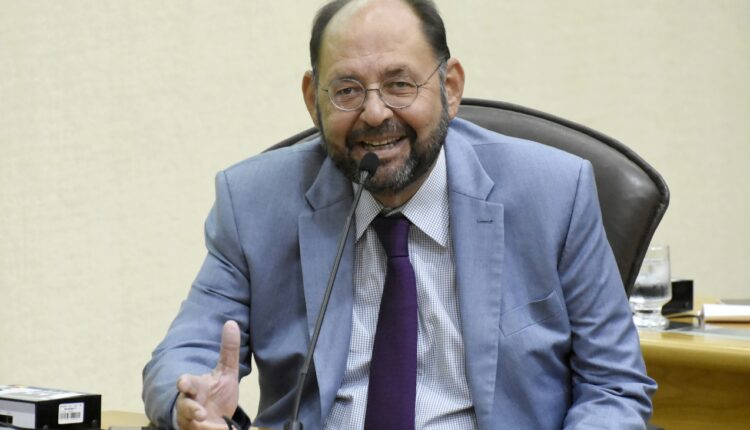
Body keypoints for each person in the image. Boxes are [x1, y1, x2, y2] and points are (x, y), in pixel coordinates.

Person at [142, 0, 656, 429]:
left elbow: (613, 386)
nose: (374, 113)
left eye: (400, 84)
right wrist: (190, 403)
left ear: (450, 87)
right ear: (313, 99)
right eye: (347, 90)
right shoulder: (254, 200)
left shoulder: (554, 193)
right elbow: (184, 353)